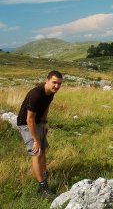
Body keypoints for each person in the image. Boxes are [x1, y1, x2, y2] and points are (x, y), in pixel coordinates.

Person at [17, 70, 63, 198]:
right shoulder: (36, 94)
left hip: (38, 122)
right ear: (46, 80)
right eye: (54, 82)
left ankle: (43, 173)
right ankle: (43, 187)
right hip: (26, 125)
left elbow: (46, 106)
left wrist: (44, 122)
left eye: (59, 84)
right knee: (36, 152)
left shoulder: (51, 93)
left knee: (43, 149)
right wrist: (36, 139)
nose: (57, 86)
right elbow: (29, 119)